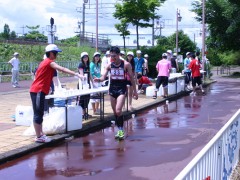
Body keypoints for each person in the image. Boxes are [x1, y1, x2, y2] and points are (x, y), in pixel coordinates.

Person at [30, 44, 84, 143]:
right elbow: (62, 69)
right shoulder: (49, 62)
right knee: (38, 113)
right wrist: (76, 74)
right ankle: (38, 136)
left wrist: (48, 87)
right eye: (55, 53)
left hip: (39, 90)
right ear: (50, 53)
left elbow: (41, 76)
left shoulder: (44, 63)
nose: (56, 55)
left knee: (40, 112)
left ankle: (41, 134)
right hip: (38, 90)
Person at [94, 46, 138, 140]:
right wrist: (99, 80)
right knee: (115, 112)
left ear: (118, 55)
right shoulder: (109, 65)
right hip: (112, 89)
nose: (112, 58)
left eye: (114, 56)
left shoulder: (126, 65)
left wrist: (135, 91)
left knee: (118, 110)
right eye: (110, 56)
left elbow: (132, 78)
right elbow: (103, 77)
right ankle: (119, 130)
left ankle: (121, 130)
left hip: (122, 89)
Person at [77, 52, 92, 119]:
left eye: (86, 56)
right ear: (82, 58)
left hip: (87, 84)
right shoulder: (81, 65)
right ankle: (82, 113)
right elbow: (82, 74)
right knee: (82, 99)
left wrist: (93, 82)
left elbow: (90, 74)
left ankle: (85, 112)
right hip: (82, 85)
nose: (85, 58)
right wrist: (84, 80)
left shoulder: (88, 65)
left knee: (87, 98)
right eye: (84, 57)